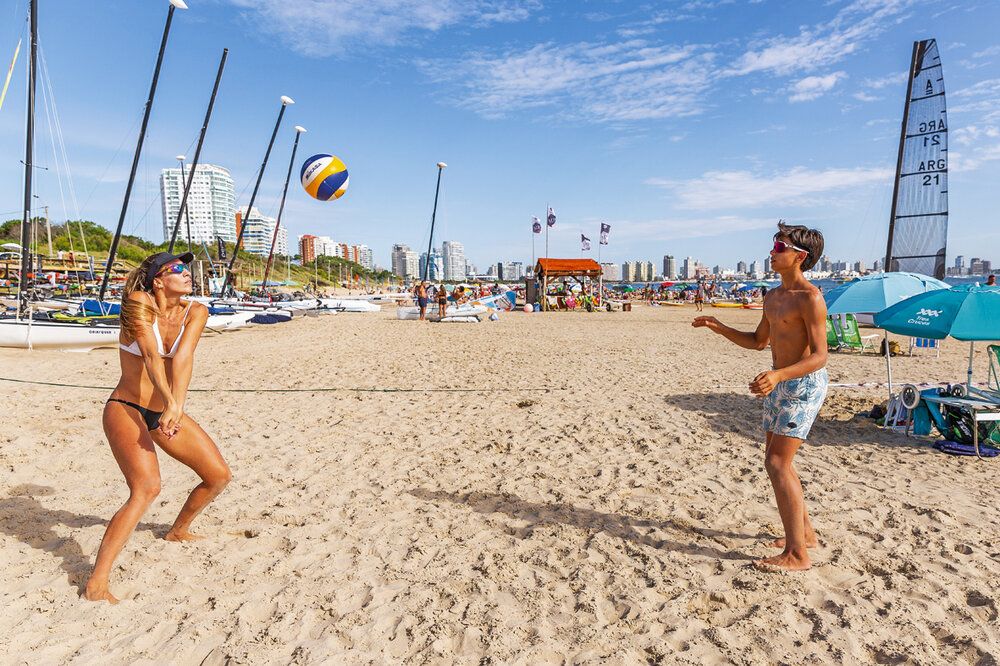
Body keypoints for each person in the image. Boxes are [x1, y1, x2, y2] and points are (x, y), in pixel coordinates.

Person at [85, 252, 230, 603]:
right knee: (147, 489)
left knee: (218, 475)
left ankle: (177, 531)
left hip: (163, 410)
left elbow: (182, 359)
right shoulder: (139, 302)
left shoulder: (196, 311)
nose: (187, 274)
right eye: (177, 269)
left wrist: (174, 407)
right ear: (158, 280)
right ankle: (96, 585)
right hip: (126, 407)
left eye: (188, 268)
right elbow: (151, 356)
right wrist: (170, 404)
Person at [692, 221, 828, 571]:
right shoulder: (773, 297)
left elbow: (820, 356)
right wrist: (718, 327)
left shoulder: (810, 298)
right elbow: (758, 342)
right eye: (774, 245)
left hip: (804, 383)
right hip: (779, 383)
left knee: (777, 463)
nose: (772, 252)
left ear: (801, 257)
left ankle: (798, 555)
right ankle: (806, 534)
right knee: (777, 460)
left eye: (780, 248)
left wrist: (779, 374)